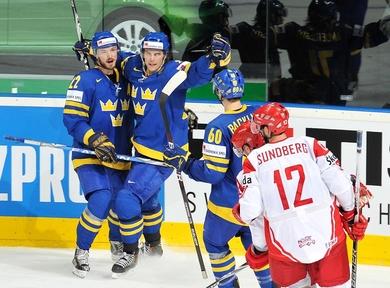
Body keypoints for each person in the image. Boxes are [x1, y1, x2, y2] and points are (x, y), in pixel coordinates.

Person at [110, 31, 231, 277]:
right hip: (141, 149)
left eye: (157, 54)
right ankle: (154, 247)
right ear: (141, 52)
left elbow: (198, 73)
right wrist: (93, 49)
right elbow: (115, 57)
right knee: (149, 200)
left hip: (166, 153)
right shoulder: (133, 65)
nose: (152, 59)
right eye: (148, 53)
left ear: (165, 55)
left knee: (127, 198)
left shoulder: (174, 71)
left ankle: (130, 252)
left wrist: (215, 58)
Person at [235, 102, 369, 287]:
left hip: (284, 241)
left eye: (259, 126)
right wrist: (350, 214)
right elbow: (340, 184)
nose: (257, 130)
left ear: (268, 128)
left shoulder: (253, 161)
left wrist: (259, 250)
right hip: (326, 233)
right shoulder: (309, 144)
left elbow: (251, 213)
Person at [163, 69, 273, 288]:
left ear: (218, 92)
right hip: (263, 203)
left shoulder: (218, 127)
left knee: (215, 242)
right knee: (259, 246)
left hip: (229, 204)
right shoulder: (259, 113)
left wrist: (185, 162)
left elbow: (213, 173)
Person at [63, 31, 134, 278]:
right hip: (90, 154)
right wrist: (95, 139)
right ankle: (81, 251)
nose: (110, 55)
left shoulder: (127, 77)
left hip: (120, 156)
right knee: (101, 199)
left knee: (119, 203)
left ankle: (117, 243)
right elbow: (72, 119)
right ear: (94, 54)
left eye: (113, 50)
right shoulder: (83, 80)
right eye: (103, 51)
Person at [269, 0, 390, 105]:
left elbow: (263, 36)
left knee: (276, 87)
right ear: (334, 16)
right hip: (335, 94)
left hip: (303, 93)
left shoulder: (294, 32)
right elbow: (376, 34)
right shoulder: (344, 34)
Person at [230, 0, 287, 79]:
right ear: (269, 15)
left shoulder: (271, 33)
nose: (281, 18)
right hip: (254, 79)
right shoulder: (248, 31)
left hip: (267, 79)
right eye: (278, 15)